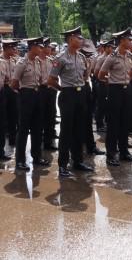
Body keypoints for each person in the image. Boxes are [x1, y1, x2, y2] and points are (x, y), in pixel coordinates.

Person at [47, 27, 94, 177]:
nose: (82, 41)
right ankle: (62, 165)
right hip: (68, 95)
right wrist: (64, 89)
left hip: (81, 94)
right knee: (66, 131)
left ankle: (78, 161)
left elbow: (86, 76)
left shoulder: (82, 57)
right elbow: (50, 80)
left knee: (79, 129)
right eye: (79, 38)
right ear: (71, 39)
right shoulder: (60, 58)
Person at [98, 28, 132, 166]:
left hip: (126, 90)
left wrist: (125, 82)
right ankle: (111, 154)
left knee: (125, 122)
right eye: (129, 39)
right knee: (114, 123)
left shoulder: (130, 56)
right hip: (115, 91)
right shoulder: (112, 57)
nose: (131, 42)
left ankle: (124, 152)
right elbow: (100, 75)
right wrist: (112, 82)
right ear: (122, 41)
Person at [11, 37, 49, 170]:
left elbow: (39, 79)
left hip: (37, 95)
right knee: (23, 128)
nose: (41, 49)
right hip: (26, 95)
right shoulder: (22, 63)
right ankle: (20, 160)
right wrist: (24, 94)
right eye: (39, 47)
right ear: (32, 47)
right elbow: (14, 84)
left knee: (37, 128)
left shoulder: (38, 62)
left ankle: (37, 156)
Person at [80, 38, 105, 156]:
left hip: (86, 87)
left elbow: (87, 75)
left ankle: (90, 145)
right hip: (76, 90)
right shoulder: (74, 59)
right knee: (77, 121)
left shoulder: (88, 59)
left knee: (88, 118)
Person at [38, 38, 58, 151]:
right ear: (43, 48)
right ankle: (39, 139)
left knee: (50, 115)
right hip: (41, 90)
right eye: (49, 47)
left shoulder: (51, 60)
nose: (51, 49)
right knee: (40, 116)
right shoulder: (36, 61)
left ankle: (48, 141)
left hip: (51, 89)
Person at [2, 39, 19, 146]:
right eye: (13, 48)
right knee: (3, 116)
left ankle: (13, 139)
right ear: (7, 49)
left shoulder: (15, 60)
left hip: (12, 89)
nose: (15, 50)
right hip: (2, 89)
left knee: (14, 114)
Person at [0, 52, 11, 160]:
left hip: (1, 93)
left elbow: (7, 78)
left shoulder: (2, 62)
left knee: (1, 123)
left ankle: (1, 151)